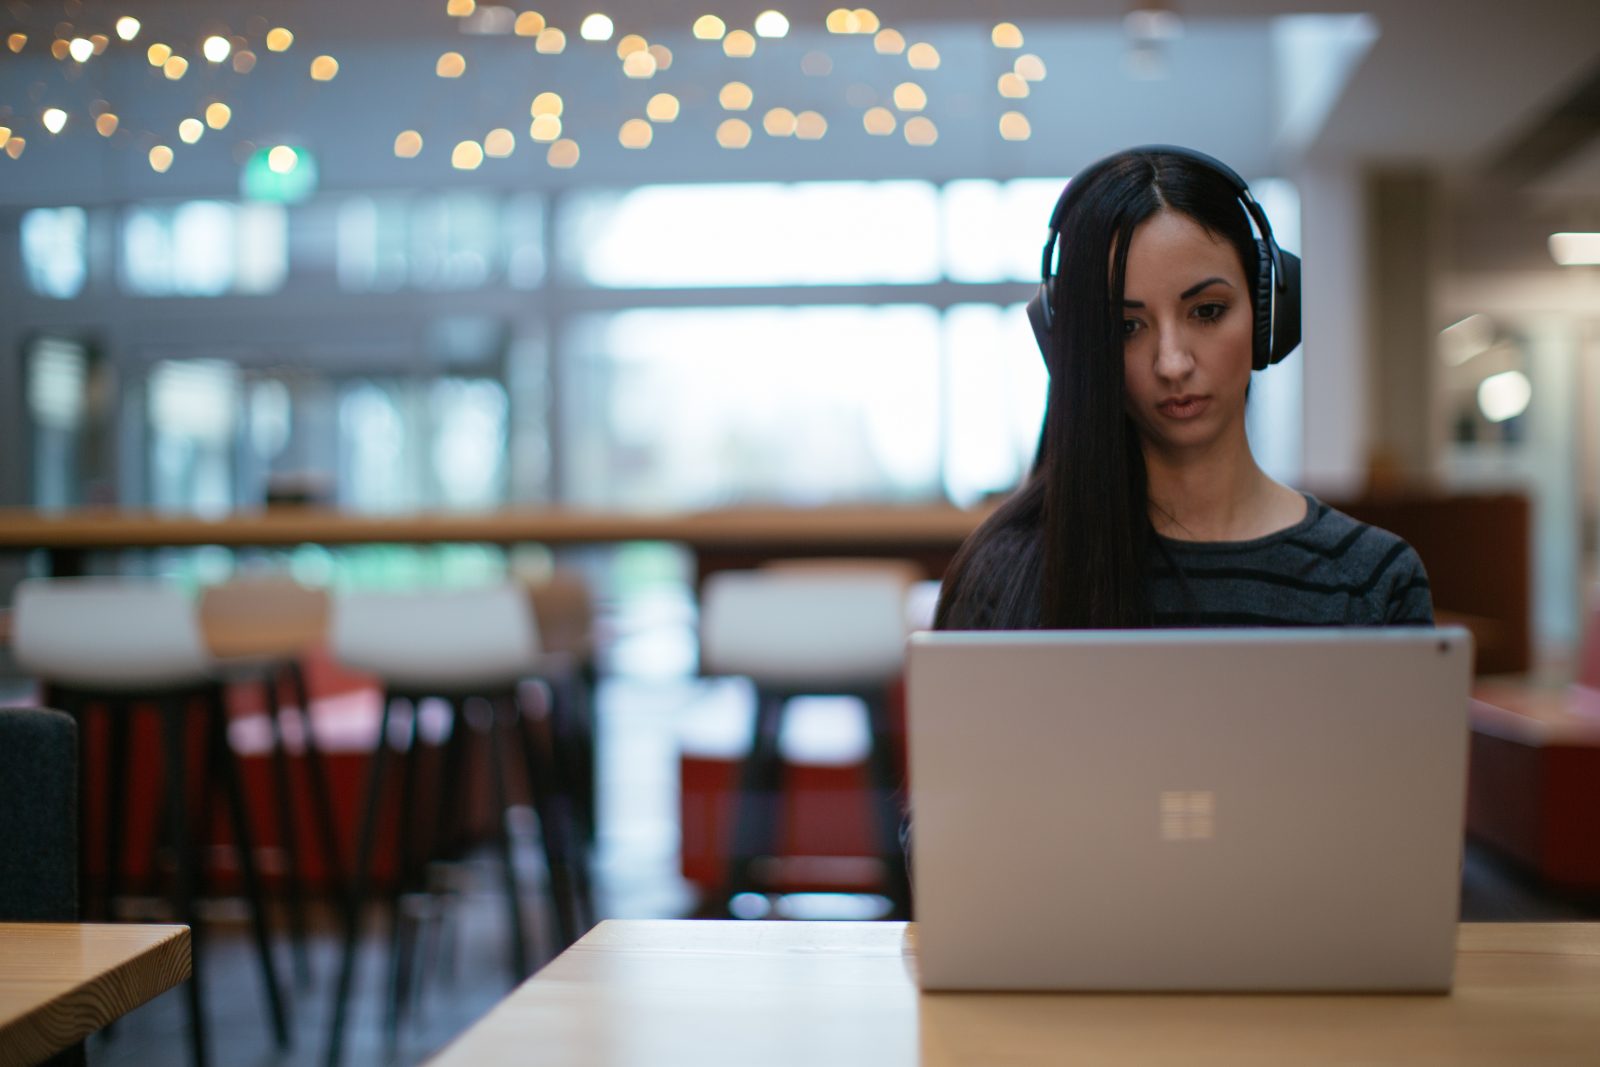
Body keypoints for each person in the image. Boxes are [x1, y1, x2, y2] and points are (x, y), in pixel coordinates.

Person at [935, 146, 1433, 631]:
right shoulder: (1005, 576)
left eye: (1207, 312)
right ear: (1081, 350)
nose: (1172, 363)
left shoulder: (1372, 578)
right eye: (1127, 327)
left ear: (1269, 316)